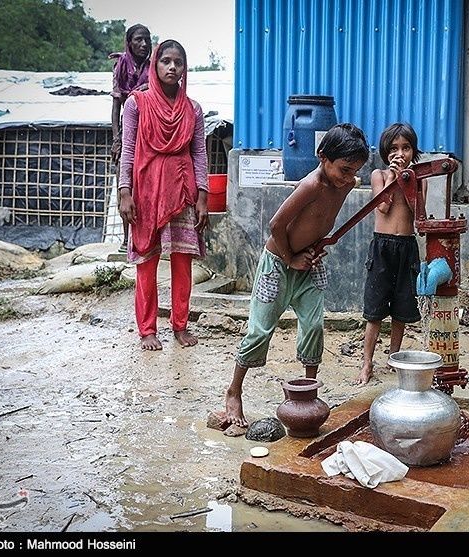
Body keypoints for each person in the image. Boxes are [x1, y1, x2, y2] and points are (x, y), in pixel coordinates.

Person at [224, 123, 370, 426]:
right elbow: (275, 226)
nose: (348, 177)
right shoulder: (311, 186)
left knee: (314, 325)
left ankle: (307, 391)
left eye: (354, 170)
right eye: (343, 169)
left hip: (310, 263)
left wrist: (317, 246)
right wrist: (291, 259)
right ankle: (234, 392)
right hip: (279, 263)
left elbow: (323, 220)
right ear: (322, 157)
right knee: (260, 331)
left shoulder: (346, 182)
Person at [118, 39, 209, 351]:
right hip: (145, 192)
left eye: (178, 62)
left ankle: (180, 326)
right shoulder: (136, 104)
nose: (172, 67)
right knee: (147, 262)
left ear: (184, 69)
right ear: (155, 66)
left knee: (182, 262)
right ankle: (147, 330)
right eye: (165, 61)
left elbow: (200, 154)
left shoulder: (193, 109)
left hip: (182, 192)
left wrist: (203, 196)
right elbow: (127, 152)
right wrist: (124, 192)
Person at [358, 123, 425, 385]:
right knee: (374, 310)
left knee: (401, 309)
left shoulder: (418, 180)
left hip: (407, 247)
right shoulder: (377, 175)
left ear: (413, 151)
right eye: (395, 148)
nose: (401, 153)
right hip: (382, 247)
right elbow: (383, 207)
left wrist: (405, 181)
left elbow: (416, 212)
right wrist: (390, 178)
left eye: (406, 148)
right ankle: (366, 363)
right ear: (386, 152)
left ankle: (394, 357)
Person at [110, 24, 152, 252]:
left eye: (147, 40)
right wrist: (117, 140)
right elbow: (116, 106)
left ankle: (147, 238)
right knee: (124, 185)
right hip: (129, 132)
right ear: (129, 42)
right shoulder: (121, 66)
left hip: (150, 132)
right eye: (138, 40)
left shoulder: (155, 66)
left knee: (147, 187)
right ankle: (127, 240)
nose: (143, 44)